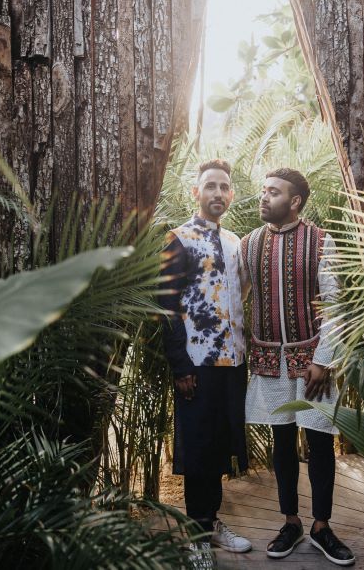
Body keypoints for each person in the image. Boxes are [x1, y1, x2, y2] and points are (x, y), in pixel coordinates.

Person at [240, 168, 355, 566]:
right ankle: (291, 522)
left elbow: (335, 304)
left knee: (320, 442)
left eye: (273, 192)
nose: (264, 197)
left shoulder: (322, 241)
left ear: (295, 202)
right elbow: (236, 300)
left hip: (313, 362)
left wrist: (324, 361)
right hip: (270, 362)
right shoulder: (248, 244)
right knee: (282, 443)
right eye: (263, 190)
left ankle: (322, 527)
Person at [160, 159, 253, 565]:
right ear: (196, 193)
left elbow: (241, 295)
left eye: (224, 187)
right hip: (196, 363)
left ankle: (211, 523)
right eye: (210, 186)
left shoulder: (236, 242)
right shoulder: (178, 239)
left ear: (231, 195)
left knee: (217, 447)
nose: (218, 192)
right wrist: (179, 366)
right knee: (197, 447)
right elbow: (163, 306)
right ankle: (196, 533)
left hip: (232, 363)